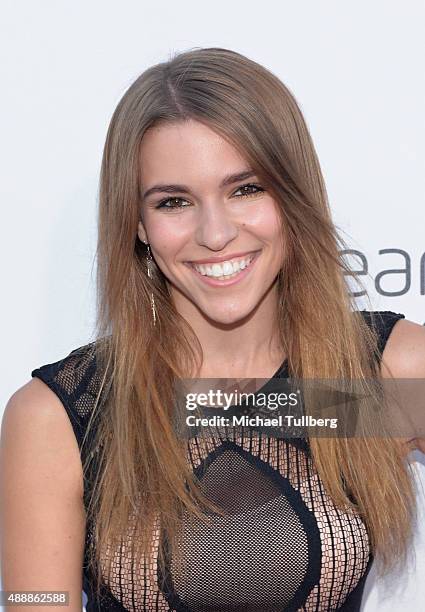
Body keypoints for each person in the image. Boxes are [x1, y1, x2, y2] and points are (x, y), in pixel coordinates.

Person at [1, 47, 425, 612]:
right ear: (138, 223)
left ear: (291, 194)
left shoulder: (379, 380)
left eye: (245, 189)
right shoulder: (61, 417)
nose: (216, 232)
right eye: (174, 201)